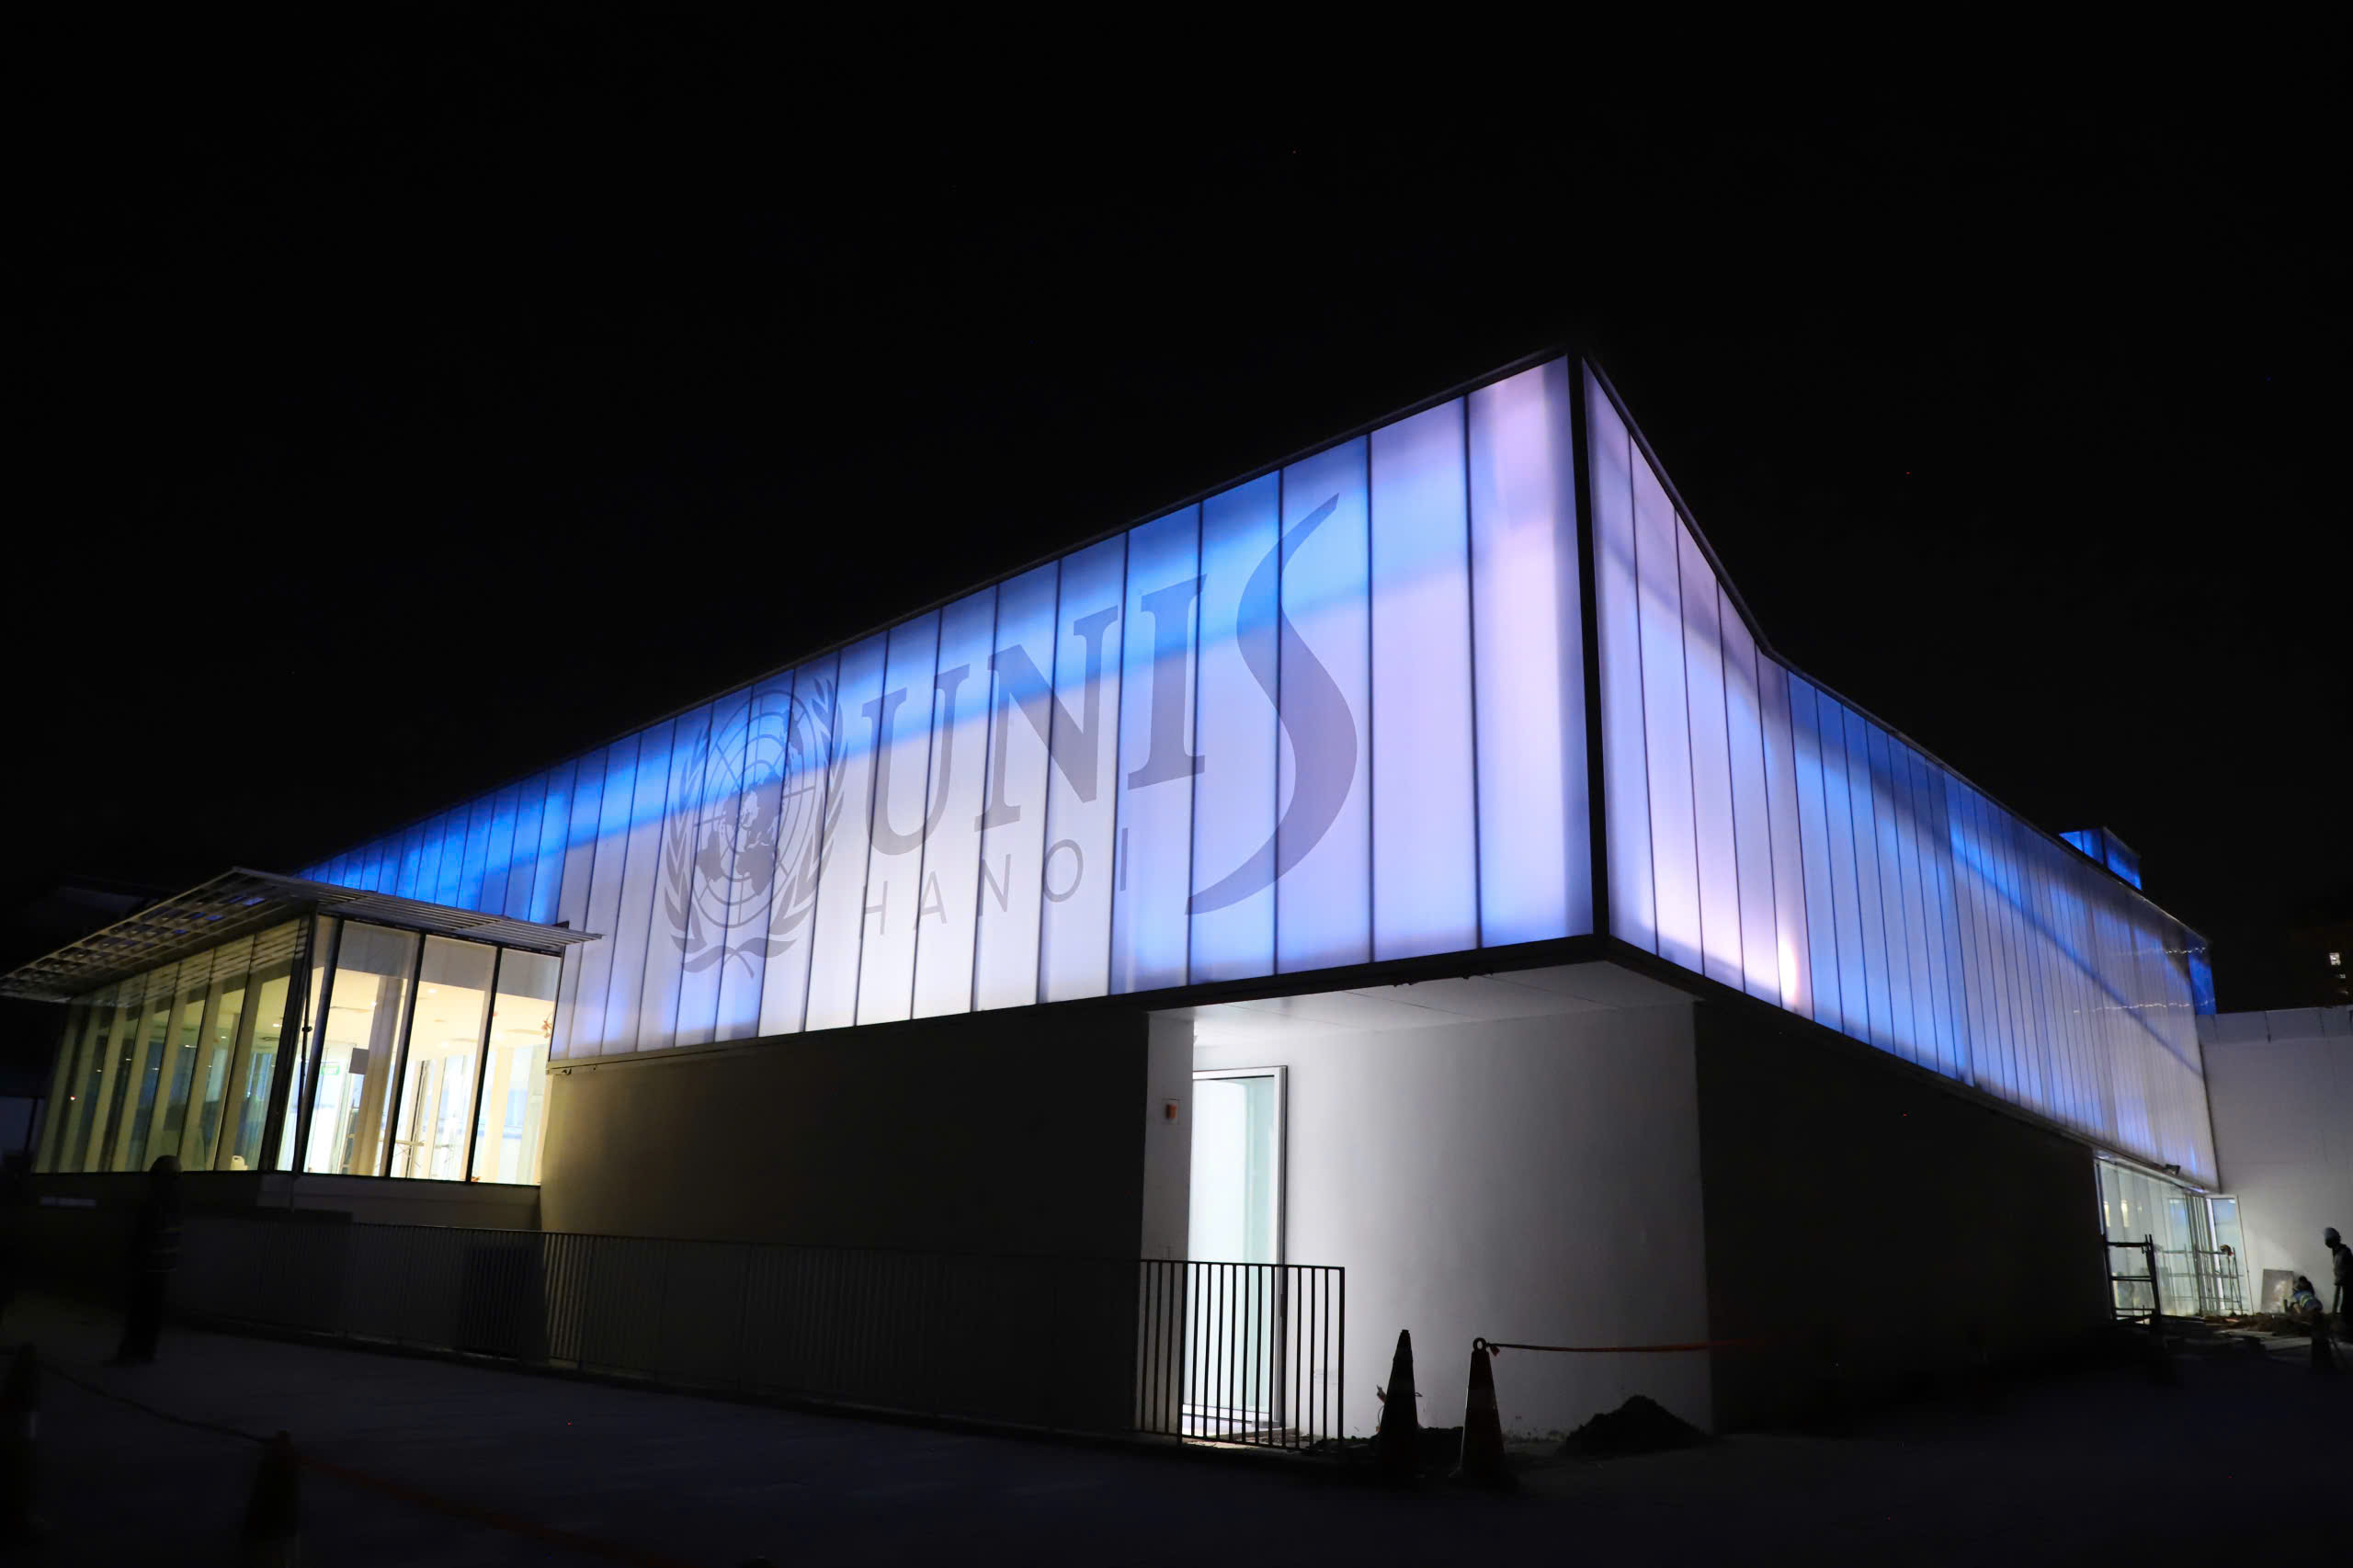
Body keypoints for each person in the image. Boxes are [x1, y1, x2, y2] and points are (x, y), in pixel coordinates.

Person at [110, 1154, 182, 1365]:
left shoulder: (153, 1202)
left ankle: (130, 1351)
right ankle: (147, 1350)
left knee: (138, 1310)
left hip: (148, 1265)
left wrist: (131, 1260)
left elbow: (142, 1235)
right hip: (164, 1267)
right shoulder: (176, 1202)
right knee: (154, 1312)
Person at [2326, 1226, 2350, 1322]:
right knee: (2345, 1302)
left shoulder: (2344, 1251)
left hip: (2347, 1281)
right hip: (2342, 1280)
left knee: (2347, 1303)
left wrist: (2341, 1278)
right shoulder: (2336, 1251)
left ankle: (2347, 1324)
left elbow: (2346, 1267)